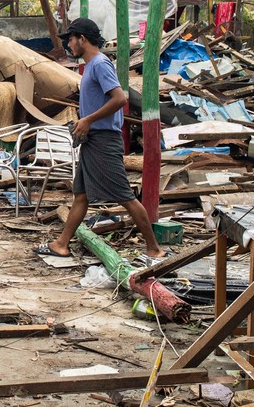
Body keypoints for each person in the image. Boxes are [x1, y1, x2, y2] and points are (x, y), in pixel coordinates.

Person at [35, 17, 167, 262]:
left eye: (71, 40)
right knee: (82, 195)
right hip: (93, 140)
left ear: (82, 39)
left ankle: (154, 249)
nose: (69, 45)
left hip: (104, 140)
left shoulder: (99, 64)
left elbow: (119, 99)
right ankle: (61, 245)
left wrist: (88, 120)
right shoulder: (90, 67)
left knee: (125, 196)